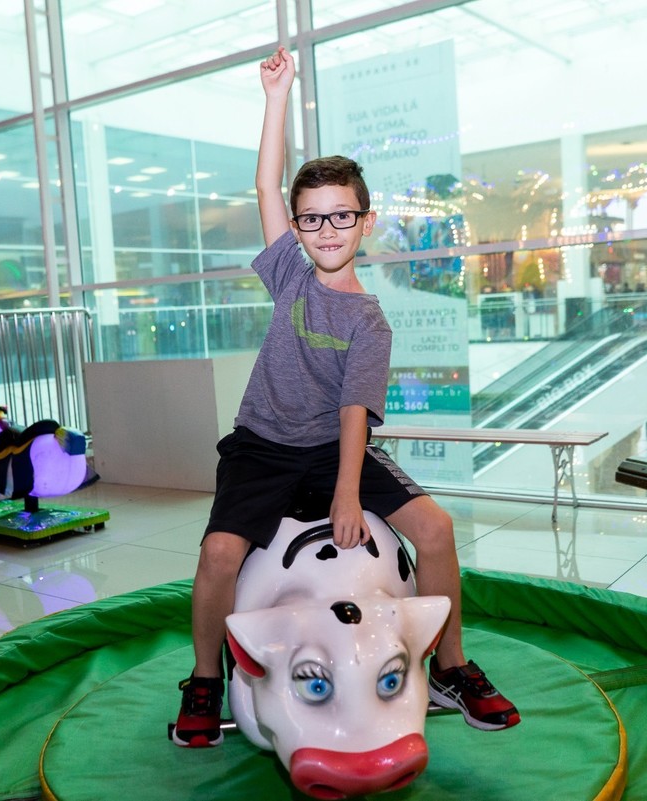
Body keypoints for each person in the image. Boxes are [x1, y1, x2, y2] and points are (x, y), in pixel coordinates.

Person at [170, 46, 520, 749]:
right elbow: (265, 187)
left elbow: (353, 414)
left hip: (335, 449)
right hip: (262, 446)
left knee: (438, 529)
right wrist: (276, 99)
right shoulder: (290, 280)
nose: (325, 230)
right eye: (312, 219)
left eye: (340, 216)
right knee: (217, 554)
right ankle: (206, 678)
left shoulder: (369, 321)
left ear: (365, 221)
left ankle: (450, 664)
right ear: (297, 228)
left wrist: (348, 493)